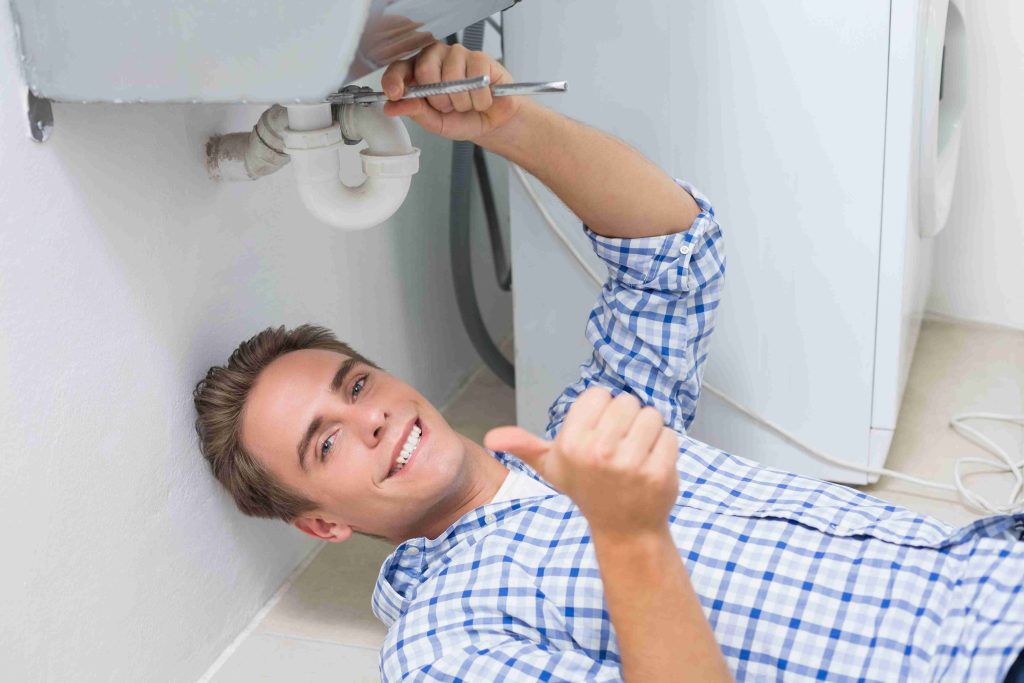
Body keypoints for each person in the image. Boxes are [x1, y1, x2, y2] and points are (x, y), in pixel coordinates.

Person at [193, 43, 1024, 682]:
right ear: (323, 523)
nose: (368, 415)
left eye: (357, 383)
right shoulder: (443, 644)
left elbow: (675, 255)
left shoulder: (583, 431)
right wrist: (628, 532)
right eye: (325, 443)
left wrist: (507, 124)